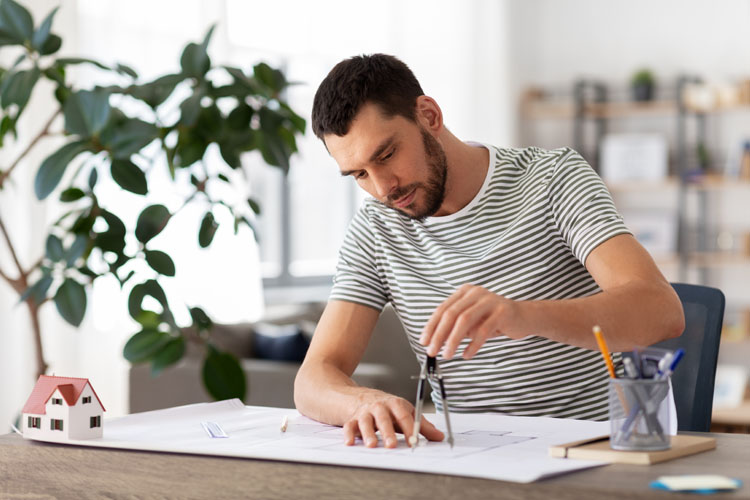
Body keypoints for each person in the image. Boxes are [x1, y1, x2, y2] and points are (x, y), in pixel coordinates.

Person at [294, 54, 684, 449]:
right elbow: (314, 378)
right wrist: (361, 401)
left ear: (428, 115)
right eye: (359, 174)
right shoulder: (377, 228)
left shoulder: (552, 178)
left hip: (591, 449)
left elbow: (661, 311)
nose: (382, 188)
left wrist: (522, 314)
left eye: (386, 155)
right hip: (469, 457)